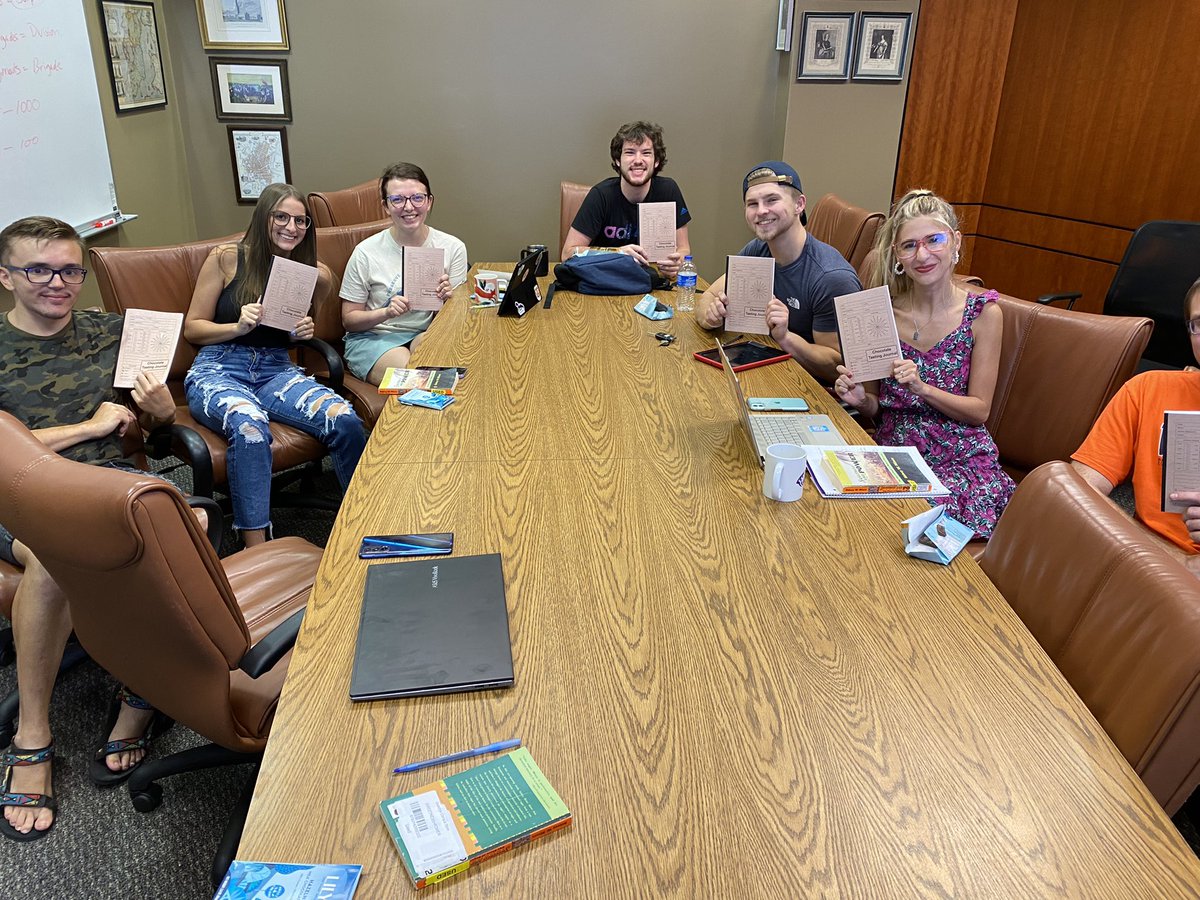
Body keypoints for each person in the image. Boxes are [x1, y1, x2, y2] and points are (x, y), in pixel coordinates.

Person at [0, 216, 181, 840]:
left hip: (111, 488)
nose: (58, 282)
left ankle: (141, 692)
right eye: (38, 269)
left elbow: (146, 430)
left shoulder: (115, 332)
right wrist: (86, 429)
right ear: (6, 276)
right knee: (59, 556)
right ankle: (34, 735)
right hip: (22, 496)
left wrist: (158, 415)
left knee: (182, 524)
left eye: (70, 269)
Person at [184, 183, 366, 548]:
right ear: (263, 217)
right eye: (281, 217)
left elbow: (302, 321)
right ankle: (258, 548)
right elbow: (193, 328)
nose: (291, 227)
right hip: (220, 366)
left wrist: (303, 330)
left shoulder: (311, 273)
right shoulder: (226, 258)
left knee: (345, 420)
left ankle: (364, 523)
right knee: (250, 428)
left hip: (276, 369)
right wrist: (235, 326)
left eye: (300, 220)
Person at [832, 189, 1014, 537]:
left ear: (956, 242)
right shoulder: (878, 311)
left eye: (934, 240)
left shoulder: (985, 314)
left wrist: (921, 387)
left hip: (960, 456)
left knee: (916, 530)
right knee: (850, 521)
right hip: (896, 453)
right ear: (897, 255)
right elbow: (875, 406)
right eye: (909, 245)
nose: (923, 254)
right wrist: (858, 399)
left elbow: (979, 411)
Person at [1072, 277, 1200, 575]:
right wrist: (1174, 560)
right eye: (1199, 323)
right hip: (1142, 566)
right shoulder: (1148, 390)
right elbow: (1079, 492)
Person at [695, 161, 860, 382]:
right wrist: (711, 317)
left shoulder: (830, 277)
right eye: (752, 203)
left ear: (799, 204)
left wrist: (786, 338)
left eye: (772, 200)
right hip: (769, 369)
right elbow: (709, 296)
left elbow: (838, 367)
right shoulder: (758, 249)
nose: (761, 211)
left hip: (812, 392)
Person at [340, 162, 467, 385]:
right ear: (386, 206)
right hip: (374, 337)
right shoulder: (365, 252)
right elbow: (349, 321)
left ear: (429, 202)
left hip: (423, 332)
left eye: (417, 198)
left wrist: (448, 301)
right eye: (397, 200)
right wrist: (386, 312)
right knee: (417, 380)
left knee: (450, 368)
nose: (408, 207)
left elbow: (453, 323)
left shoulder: (452, 247)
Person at [560, 120, 692, 279]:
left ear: (656, 161)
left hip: (653, 282)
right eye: (630, 152)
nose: (638, 160)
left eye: (646, 153)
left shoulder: (669, 191)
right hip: (606, 282)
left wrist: (677, 262)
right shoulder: (600, 195)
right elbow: (567, 253)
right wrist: (619, 252)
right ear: (617, 160)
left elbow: (684, 249)